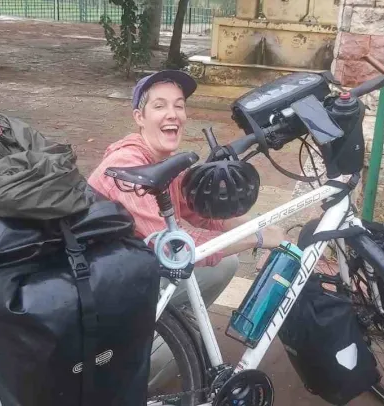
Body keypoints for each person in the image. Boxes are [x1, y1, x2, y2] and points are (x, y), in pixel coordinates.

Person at [87, 70, 288, 389]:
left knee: (225, 263)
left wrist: (255, 225)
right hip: (103, 294)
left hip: (131, 272)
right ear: (139, 117)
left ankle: (170, 324)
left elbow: (202, 216)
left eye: (179, 105)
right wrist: (258, 239)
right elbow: (177, 248)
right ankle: (123, 384)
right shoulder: (129, 168)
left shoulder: (163, 162)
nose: (172, 114)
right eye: (160, 106)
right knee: (191, 341)